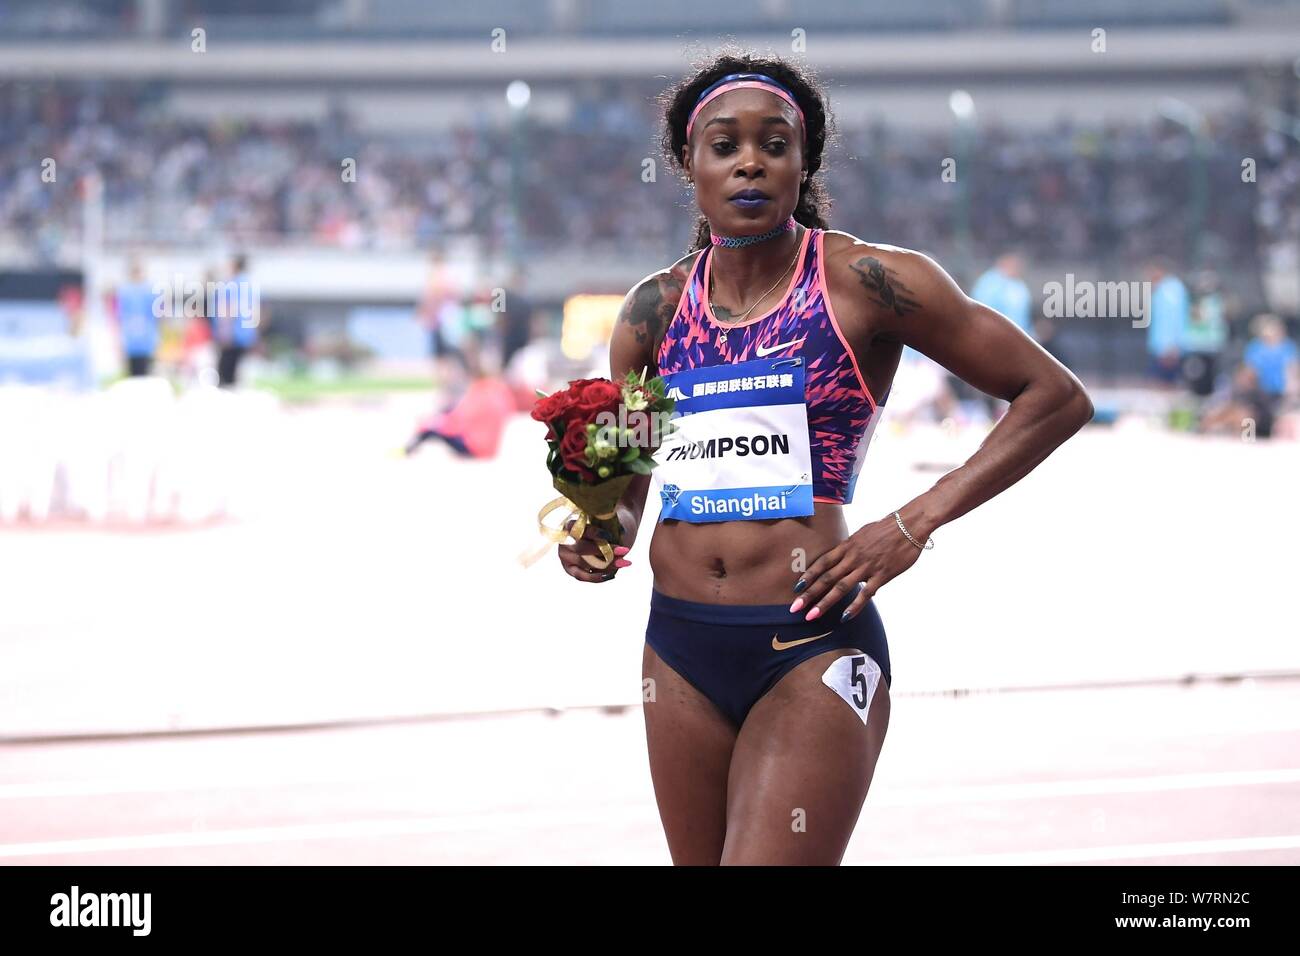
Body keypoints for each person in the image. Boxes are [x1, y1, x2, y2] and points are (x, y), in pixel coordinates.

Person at [554, 55, 1092, 866]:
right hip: (679, 647)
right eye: (725, 145)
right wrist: (600, 529)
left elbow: (1053, 396)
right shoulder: (652, 310)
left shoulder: (866, 283)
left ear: (801, 164)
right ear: (688, 165)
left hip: (810, 642)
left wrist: (911, 524)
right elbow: (630, 482)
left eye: (774, 144)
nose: (750, 162)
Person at [405, 334, 515, 459]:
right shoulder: (499, 389)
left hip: (475, 447)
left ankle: (406, 450)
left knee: (429, 429)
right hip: (491, 448)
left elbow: (460, 419)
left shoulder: (479, 390)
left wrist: (433, 423)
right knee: (437, 421)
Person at [1181, 270, 1227, 398]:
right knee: (1197, 379)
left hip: (1212, 347)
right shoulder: (1194, 302)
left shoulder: (1216, 301)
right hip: (1197, 347)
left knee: (1212, 378)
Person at [1144, 257, 1189, 388]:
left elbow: (1174, 319)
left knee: (1166, 384)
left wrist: (1171, 346)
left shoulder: (1171, 290)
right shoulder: (1160, 291)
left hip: (1168, 349)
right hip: (1161, 348)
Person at [216, 254, 259, 387]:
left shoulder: (231, 284)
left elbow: (229, 310)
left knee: (225, 374)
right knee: (238, 372)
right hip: (246, 334)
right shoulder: (250, 284)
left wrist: (224, 333)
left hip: (232, 335)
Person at [970, 251, 1033, 338]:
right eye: (1013, 264)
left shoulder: (1019, 286)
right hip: (994, 336)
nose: (1017, 268)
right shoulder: (989, 282)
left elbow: (1024, 317)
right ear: (1002, 262)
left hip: (1018, 337)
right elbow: (983, 310)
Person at [114, 259, 159, 377]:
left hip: (146, 342)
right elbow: (120, 317)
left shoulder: (149, 290)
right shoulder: (125, 291)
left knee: (146, 375)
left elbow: (156, 316)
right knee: (132, 376)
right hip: (131, 343)